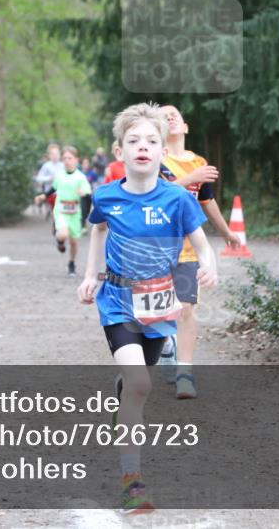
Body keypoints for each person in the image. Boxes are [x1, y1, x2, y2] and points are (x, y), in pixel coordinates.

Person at [77, 102, 217, 514]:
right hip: (118, 302)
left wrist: (208, 267)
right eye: (134, 140)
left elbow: (202, 246)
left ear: (162, 151)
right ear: (119, 151)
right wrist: (91, 275)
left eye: (151, 141)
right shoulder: (105, 196)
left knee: (136, 383)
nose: (143, 147)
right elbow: (98, 230)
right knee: (141, 385)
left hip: (159, 308)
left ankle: (124, 392)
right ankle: (132, 483)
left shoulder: (177, 199)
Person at [156, 104, 241, 399]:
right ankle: (165, 344)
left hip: (187, 249)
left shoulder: (198, 162)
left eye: (174, 115)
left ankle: (185, 373)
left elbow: (207, 201)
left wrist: (225, 231)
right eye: (163, 116)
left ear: (185, 126)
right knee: (154, 311)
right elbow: (157, 195)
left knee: (185, 309)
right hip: (154, 248)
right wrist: (192, 178)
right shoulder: (154, 158)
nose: (170, 117)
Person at [34, 146, 91, 277]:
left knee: (74, 243)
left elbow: (88, 194)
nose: (67, 161)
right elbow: (53, 189)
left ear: (76, 160)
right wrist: (43, 196)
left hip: (75, 214)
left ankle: (71, 263)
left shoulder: (80, 177)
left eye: (70, 158)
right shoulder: (59, 175)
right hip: (61, 211)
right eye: (64, 158)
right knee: (63, 234)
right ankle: (60, 241)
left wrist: (84, 194)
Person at [34, 144, 64, 217]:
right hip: (50, 194)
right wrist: (49, 178)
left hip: (62, 193)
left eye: (57, 154)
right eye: (53, 154)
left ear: (60, 155)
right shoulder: (46, 166)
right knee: (57, 213)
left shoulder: (63, 165)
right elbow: (39, 178)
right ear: (49, 155)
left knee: (61, 214)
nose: (55, 156)